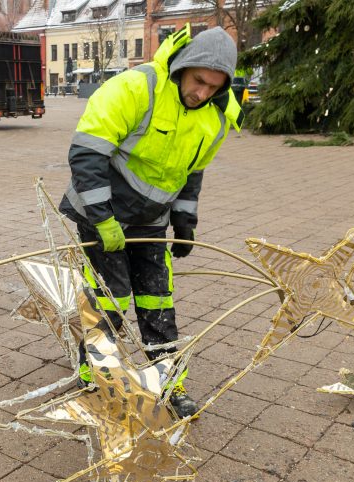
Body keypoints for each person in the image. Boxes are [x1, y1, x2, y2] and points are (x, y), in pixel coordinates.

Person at [59, 25, 242, 418]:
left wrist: (185, 222)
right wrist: (102, 219)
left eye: (214, 87)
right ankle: (93, 370)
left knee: (158, 299)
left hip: (150, 221)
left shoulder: (215, 117)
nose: (203, 93)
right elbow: (87, 153)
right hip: (103, 210)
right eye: (198, 82)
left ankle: (167, 379)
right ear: (183, 67)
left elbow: (191, 174)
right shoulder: (136, 88)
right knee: (112, 296)